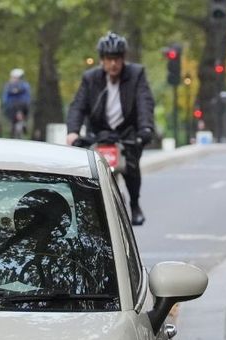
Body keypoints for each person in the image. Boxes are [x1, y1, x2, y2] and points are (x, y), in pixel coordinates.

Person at [66, 32, 156, 225]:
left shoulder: (136, 74)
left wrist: (146, 128)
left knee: (131, 167)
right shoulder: (90, 78)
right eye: (109, 59)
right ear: (102, 60)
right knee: (89, 172)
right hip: (98, 134)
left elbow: (144, 102)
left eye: (117, 59)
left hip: (126, 134)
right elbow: (78, 106)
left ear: (123, 59)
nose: (113, 64)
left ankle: (134, 204)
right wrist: (73, 132)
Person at [1, 68, 31, 138]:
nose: (15, 80)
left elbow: (27, 97)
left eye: (17, 78)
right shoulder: (8, 86)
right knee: (13, 119)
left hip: (23, 106)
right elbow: (5, 98)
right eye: (14, 78)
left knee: (19, 106)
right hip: (11, 107)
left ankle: (22, 122)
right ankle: (14, 129)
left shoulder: (24, 85)